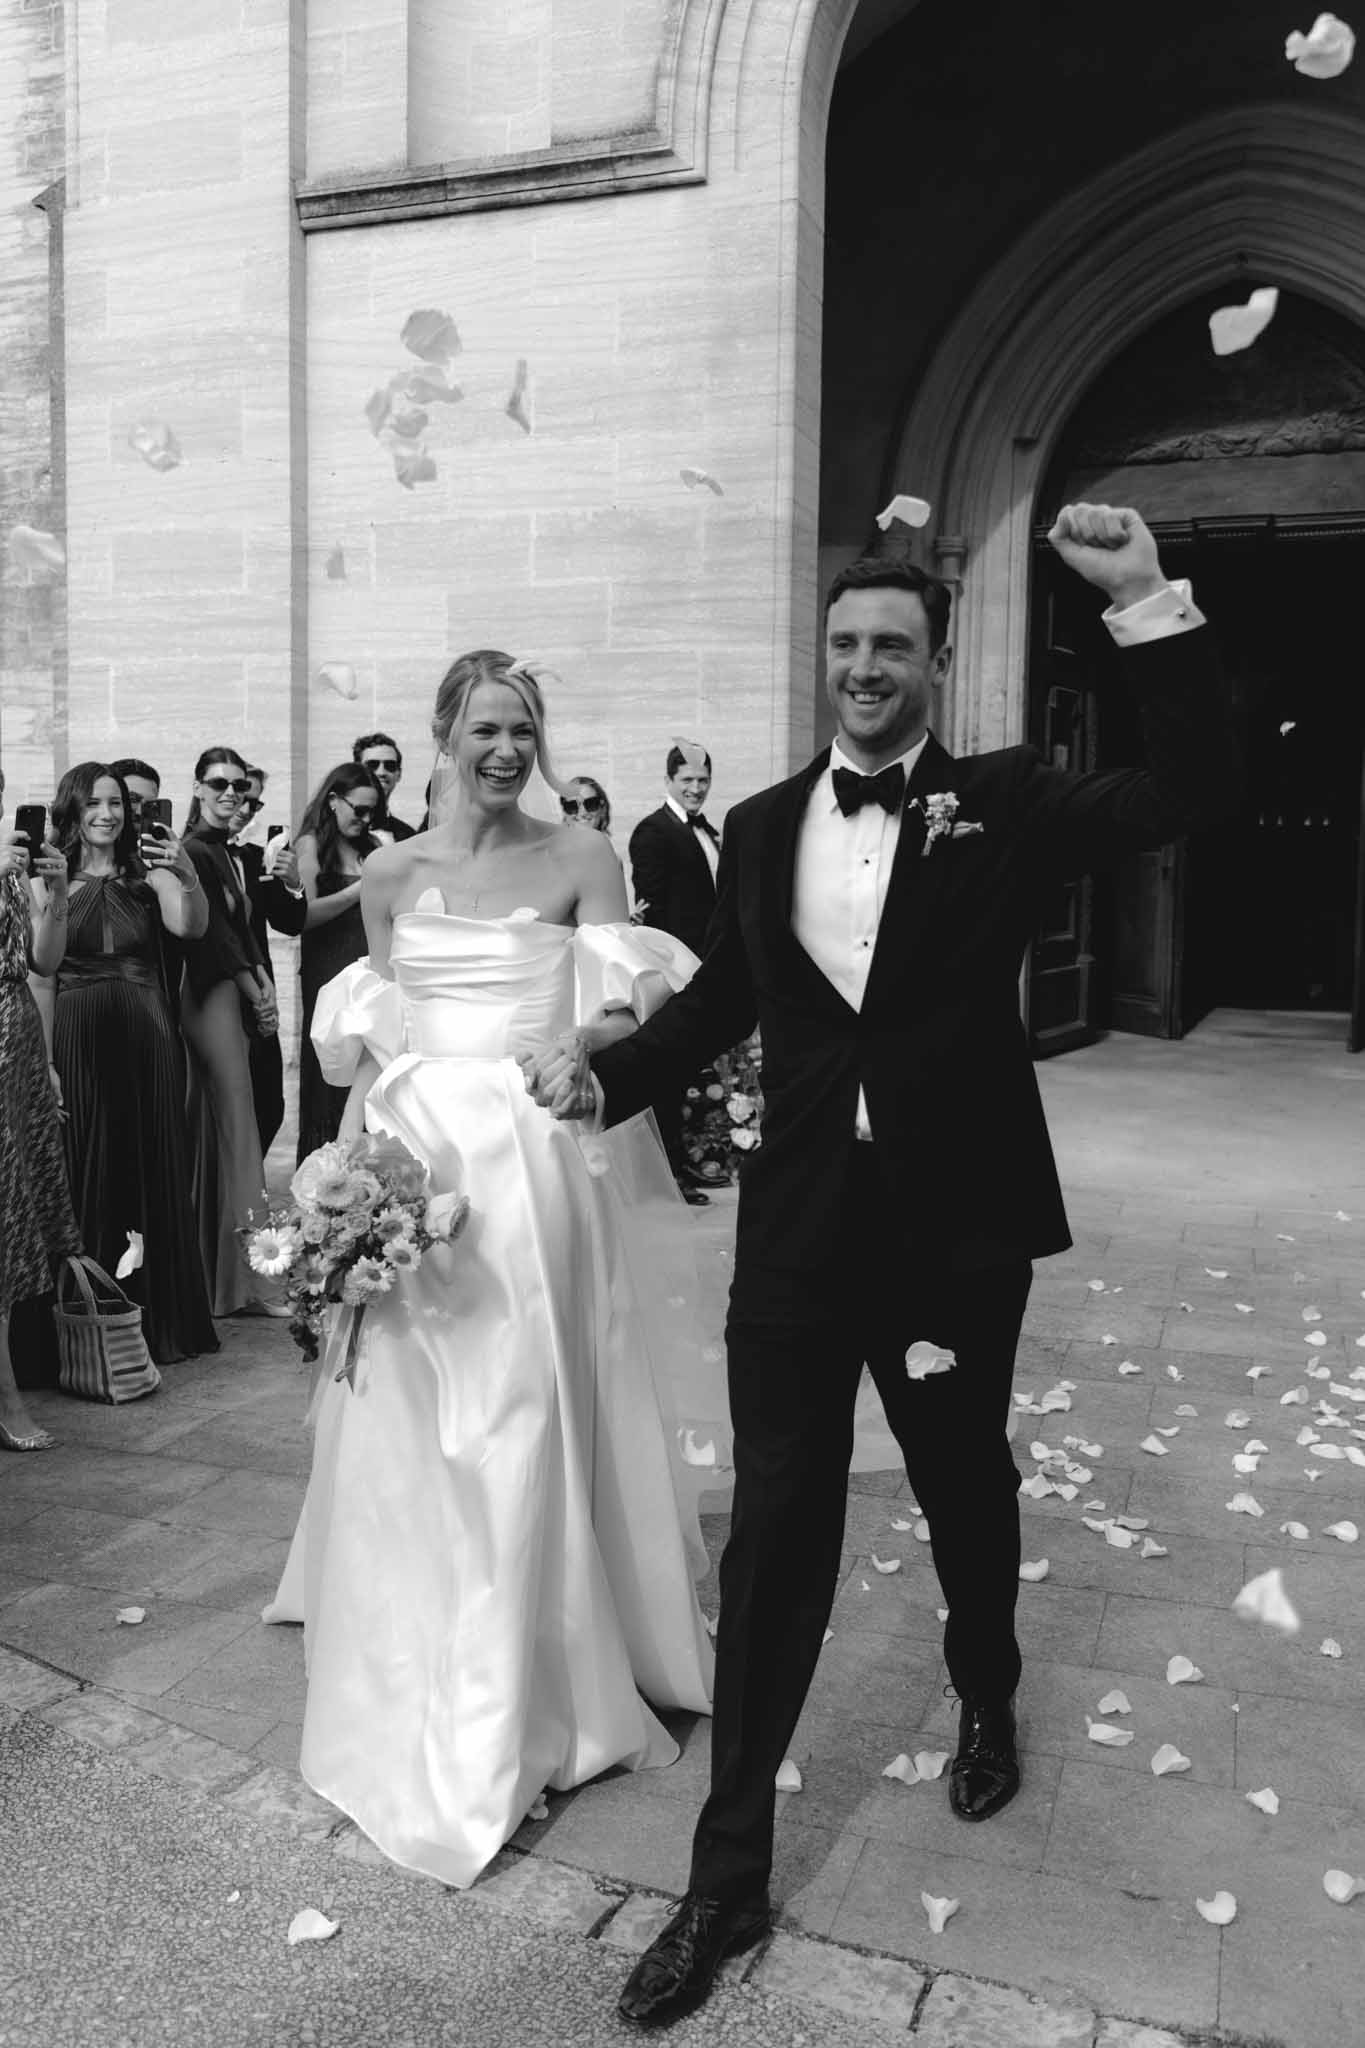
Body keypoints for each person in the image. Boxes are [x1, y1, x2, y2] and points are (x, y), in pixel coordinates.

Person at [527, 504, 1239, 2029]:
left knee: (961, 1481)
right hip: (798, 1231)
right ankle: (723, 1886)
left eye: (891, 648)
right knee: (775, 1532)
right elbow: (731, 989)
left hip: (954, 1227)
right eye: (844, 645)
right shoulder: (768, 822)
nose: (864, 668)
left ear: (935, 662)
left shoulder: (1005, 799)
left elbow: (1195, 785)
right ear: (822, 660)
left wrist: (1140, 604)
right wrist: (616, 1077)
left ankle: (986, 1679)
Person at [264, 649, 718, 1889]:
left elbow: (634, 1013)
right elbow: (374, 1042)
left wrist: (578, 1046)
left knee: (523, 1405)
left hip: (530, 1161)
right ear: (442, 733)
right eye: (485, 728)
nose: (506, 749)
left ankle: (525, 1681)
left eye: (523, 728)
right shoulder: (389, 873)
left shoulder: (582, 857)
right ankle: (417, 1633)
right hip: (412, 1161)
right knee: (413, 1407)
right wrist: (335, 1185)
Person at [43, 764, 219, 1366]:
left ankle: (155, 1317)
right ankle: (83, 1323)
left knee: (148, 1159)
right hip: (78, 1031)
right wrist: (45, 1059)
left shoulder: (150, 875)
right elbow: (46, 968)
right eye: (93, 803)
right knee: (83, 1162)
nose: (106, 813)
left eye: (115, 802)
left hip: (147, 1031)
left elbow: (188, 927)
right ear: (72, 809)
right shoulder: (52, 876)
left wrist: (187, 872)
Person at [181, 746, 284, 1318]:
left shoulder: (219, 849)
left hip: (231, 997)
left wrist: (263, 987)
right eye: (218, 783)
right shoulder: (194, 848)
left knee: (230, 1137)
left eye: (239, 786)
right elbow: (214, 938)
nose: (230, 793)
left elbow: (243, 932)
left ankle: (228, 1282)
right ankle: (248, 1281)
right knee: (236, 1133)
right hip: (210, 998)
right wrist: (257, 991)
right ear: (197, 787)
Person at [0, 771, 81, 1449]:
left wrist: (52, 897)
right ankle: (6, 1404)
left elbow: (41, 962)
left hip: (18, 1045)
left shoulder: (10, 867)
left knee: (17, 1213)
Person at [628, 744, 724, 1205]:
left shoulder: (710, 831)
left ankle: (685, 1162)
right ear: (669, 781)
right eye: (687, 780)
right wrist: (668, 970)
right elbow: (653, 909)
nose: (695, 788)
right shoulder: (653, 831)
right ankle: (666, 1176)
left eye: (702, 781)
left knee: (686, 1072)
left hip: (706, 968)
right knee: (666, 1074)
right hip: (674, 969)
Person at [294, 763, 383, 1162]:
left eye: (371, 812)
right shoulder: (310, 845)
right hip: (327, 972)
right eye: (357, 810)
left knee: (368, 1074)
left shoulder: (374, 849)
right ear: (332, 801)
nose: (365, 820)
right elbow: (306, 914)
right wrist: (362, 888)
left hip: (368, 973)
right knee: (328, 1076)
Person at [231, 766, 308, 1159]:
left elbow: (290, 923)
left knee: (268, 1106)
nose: (244, 806)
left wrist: (293, 883)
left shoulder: (252, 858)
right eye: (234, 793)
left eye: (253, 799)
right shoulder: (188, 850)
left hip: (259, 1001)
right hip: (214, 996)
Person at [351, 733, 415, 842]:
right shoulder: (333, 829)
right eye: (372, 765)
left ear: (399, 774)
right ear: (356, 771)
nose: (381, 772)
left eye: (390, 766)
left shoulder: (409, 836)